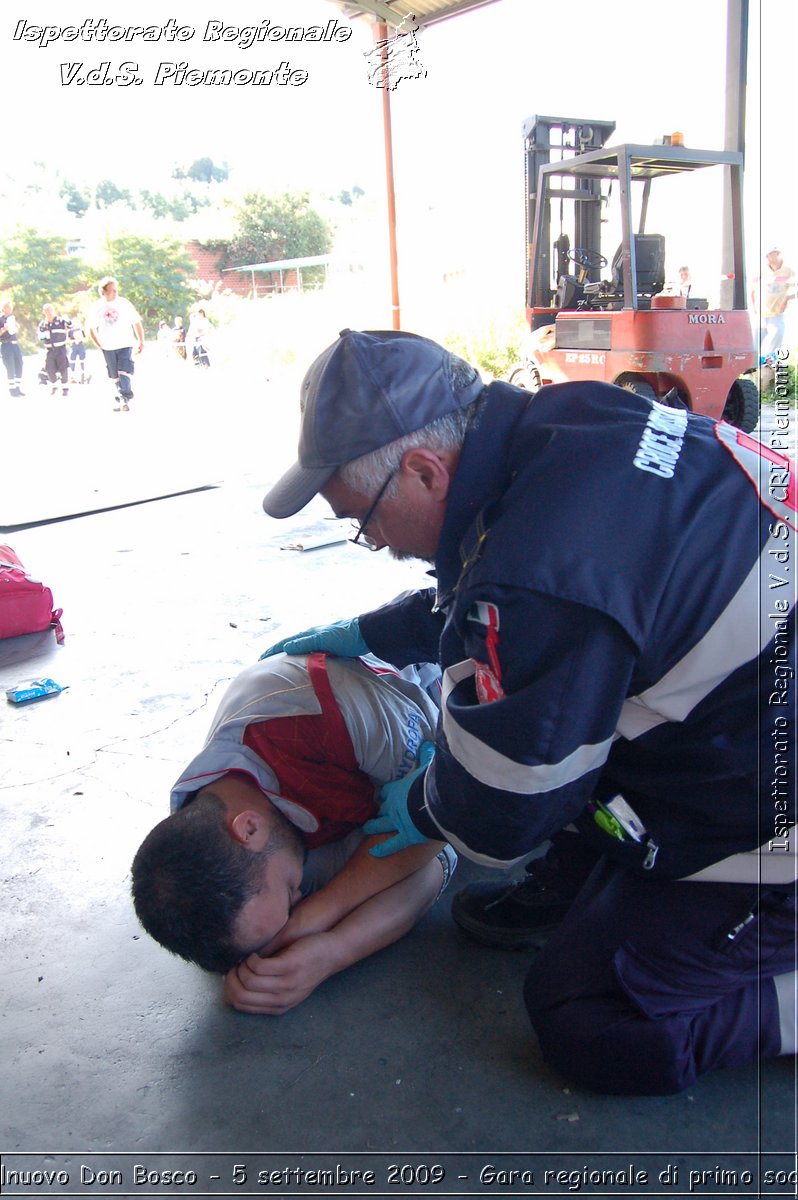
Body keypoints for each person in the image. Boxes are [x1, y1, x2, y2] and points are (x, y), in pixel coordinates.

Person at [258, 328, 796, 1095]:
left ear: (422, 470)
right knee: (565, 737)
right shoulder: (572, 420)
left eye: (362, 521)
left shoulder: (541, 572)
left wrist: (423, 800)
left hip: (776, 807)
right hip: (760, 713)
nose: (370, 540)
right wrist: (375, 633)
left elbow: (501, 812)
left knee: (587, 1017)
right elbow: (531, 578)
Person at [131, 650, 455, 1014]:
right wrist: (279, 964)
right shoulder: (210, 829)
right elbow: (422, 867)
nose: (300, 895)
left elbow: (445, 821)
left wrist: (332, 935)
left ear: (249, 827)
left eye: (289, 893)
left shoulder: (327, 716)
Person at [88, 276, 144, 412]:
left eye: (116, 290)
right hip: (107, 345)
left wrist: (141, 340)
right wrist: (98, 344)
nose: (114, 293)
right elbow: (91, 328)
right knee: (114, 375)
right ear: (103, 292)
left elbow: (136, 322)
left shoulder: (124, 303)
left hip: (125, 343)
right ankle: (121, 398)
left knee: (124, 371)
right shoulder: (97, 307)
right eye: (111, 290)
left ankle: (124, 396)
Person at [751, 245, 795, 360]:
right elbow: (752, 289)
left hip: (776, 314)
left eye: (772, 254)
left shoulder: (788, 271)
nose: (769, 257)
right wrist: (754, 307)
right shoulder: (762, 270)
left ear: (777, 254)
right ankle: (751, 369)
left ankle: (769, 366)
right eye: (768, 255)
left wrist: (785, 301)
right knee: (754, 346)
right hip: (761, 314)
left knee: (775, 342)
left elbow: (795, 289)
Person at [38, 303, 71, 397]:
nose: (49, 312)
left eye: (50, 310)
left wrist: (68, 321)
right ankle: (54, 386)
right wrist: (43, 335)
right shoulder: (43, 323)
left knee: (63, 368)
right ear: (43, 312)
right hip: (50, 350)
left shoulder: (60, 320)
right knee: (49, 368)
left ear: (53, 310)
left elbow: (70, 326)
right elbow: (40, 336)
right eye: (46, 310)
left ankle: (65, 389)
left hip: (60, 348)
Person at [0, 298, 25, 397]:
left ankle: (17, 387)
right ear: (4, 308)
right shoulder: (1, 319)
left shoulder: (12, 317)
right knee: (10, 367)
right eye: (8, 307)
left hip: (15, 344)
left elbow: (16, 330)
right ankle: (12, 389)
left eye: (11, 307)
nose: (10, 309)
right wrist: (5, 328)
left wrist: (15, 326)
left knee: (19, 364)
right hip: (6, 344)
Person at [68, 315, 90, 385]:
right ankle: (72, 376)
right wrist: (74, 340)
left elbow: (84, 338)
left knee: (82, 360)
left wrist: (80, 338)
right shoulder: (70, 331)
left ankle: (83, 375)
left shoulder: (81, 330)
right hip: (73, 345)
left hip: (80, 345)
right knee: (72, 360)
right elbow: (68, 339)